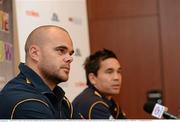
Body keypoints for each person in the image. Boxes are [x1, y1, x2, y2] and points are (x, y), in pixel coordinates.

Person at [0, 25, 76, 119]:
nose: (70, 58)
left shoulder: (60, 99)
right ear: (35, 53)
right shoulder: (26, 101)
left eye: (70, 53)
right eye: (61, 50)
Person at [72, 49, 127, 119]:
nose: (116, 77)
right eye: (109, 72)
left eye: (119, 72)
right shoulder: (94, 104)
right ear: (92, 78)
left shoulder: (110, 102)